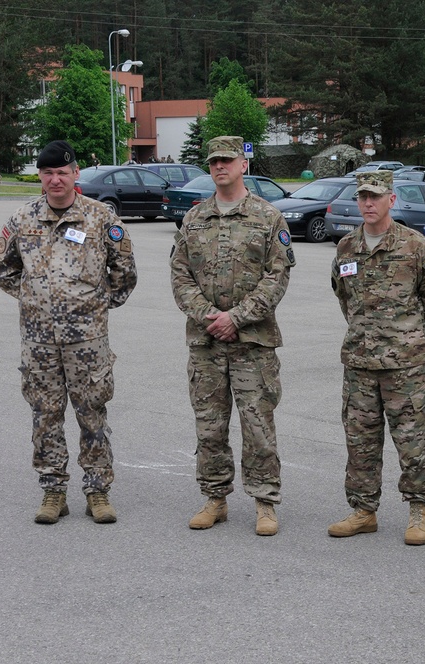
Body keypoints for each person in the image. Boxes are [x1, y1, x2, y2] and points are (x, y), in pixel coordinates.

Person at [0, 139, 137, 524]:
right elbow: (6, 271)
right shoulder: (22, 220)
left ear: (76, 173)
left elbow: (125, 274)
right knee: (45, 414)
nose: (55, 179)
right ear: (40, 176)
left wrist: (92, 307)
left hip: (87, 341)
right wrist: (34, 302)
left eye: (62, 172)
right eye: (48, 173)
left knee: (92, 413)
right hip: (38, 341)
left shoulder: (101, 219)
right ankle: (53, 490)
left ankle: (98, 492)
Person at [170, 136, 295, 537]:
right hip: (206, 342)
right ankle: (215, 499)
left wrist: (236, 318)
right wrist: (208, 315)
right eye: (213, 162)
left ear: (243, 164)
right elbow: (179, 274)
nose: (219, 167)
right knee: (209, 426)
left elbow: (277, 277)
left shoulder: (267, 217)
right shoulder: (194, 219)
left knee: (258, 426)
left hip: (252, 344)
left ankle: (265, 502)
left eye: (227, 160)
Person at [328, 170, 425, 546]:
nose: (367, 203)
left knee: (412, 440)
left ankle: (418, 509)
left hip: (405, 365)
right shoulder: (347, 246)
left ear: (391, 200)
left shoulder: (415, 246)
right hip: (360, 362)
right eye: (362, 197)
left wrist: (410, 335)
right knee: (359, 441)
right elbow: (342, 294)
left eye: (375, 197)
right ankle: (364, 511)